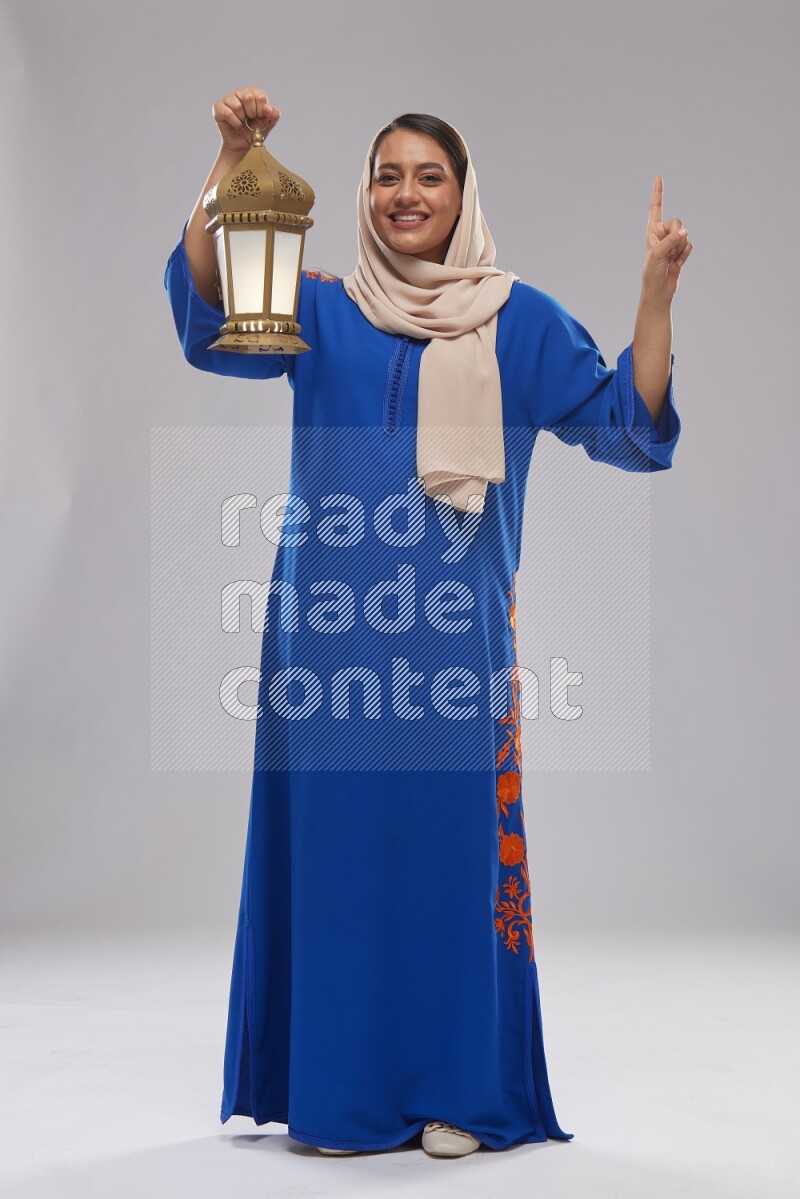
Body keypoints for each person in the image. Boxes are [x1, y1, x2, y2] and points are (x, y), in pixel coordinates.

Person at [163, 86, 689, 1159]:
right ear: (364, 192)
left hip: (452, 640)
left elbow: (629, 430)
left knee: (451, 858)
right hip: (325, 638)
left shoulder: (518, 319)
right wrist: (228, 166)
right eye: (387, 174)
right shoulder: (321, 306)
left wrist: (653, 292)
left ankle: (461, 1092)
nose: (406, 193)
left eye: (429, 175)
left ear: (462, 194)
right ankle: (341, 1092)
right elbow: (209, 318)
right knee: (342, 852)